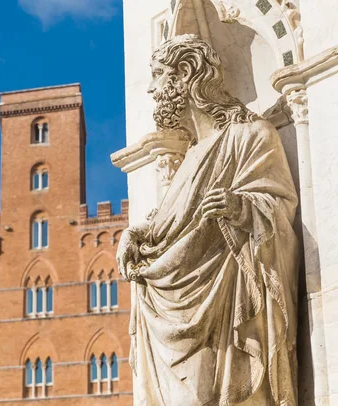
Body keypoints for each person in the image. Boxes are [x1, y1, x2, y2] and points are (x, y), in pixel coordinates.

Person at [116, 34, 298, 405]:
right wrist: (136, 235)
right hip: (170, 317)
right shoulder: (187, 160)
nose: (150, 89)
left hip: (224, 317)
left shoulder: (249, 137)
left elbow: (280, 209)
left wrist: (241, 208)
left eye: (157, 75)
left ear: (184, 73)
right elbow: (169, 230)